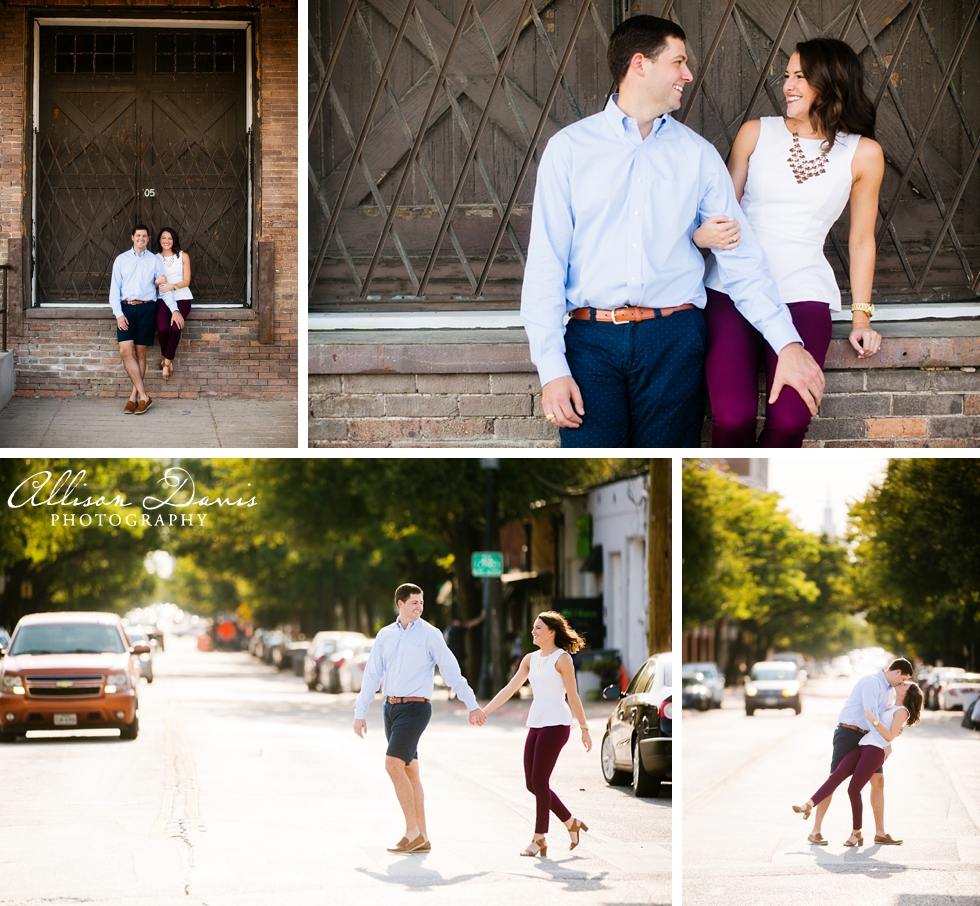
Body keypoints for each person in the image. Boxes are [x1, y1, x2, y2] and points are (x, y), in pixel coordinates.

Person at [520, 14, 824, 447]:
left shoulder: (698, 156)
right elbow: (546, 266)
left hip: (675, 340)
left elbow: (741, 260)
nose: (688, 74)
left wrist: (787, 344)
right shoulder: (568, 150)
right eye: (678, 62)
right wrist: (552, 369)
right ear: (640, 64)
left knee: (665, 476)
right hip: (590, 343)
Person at [694, 38, 885, 446]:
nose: (788, 85)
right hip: (732, 289)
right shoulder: (756, 133)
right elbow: (721, 214)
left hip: (803, 293)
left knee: (792, 421)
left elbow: (862, 239)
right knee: (731, 418)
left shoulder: (863, 154)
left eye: (801, 76)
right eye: (787, 76)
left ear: (831, 82)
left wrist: (861, 317)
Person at [353, 583, 487, 854]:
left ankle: (411, 832)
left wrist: (472, 705)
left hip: (415, 709)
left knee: (393, 765)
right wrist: (360, 712)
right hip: (390, 708)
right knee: (409, 770)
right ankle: (422, 836)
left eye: (421, 602)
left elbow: (451, 671)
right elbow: (372, 675)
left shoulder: (431, 634)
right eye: (414, 602)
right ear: (400, 604)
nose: (419, 607)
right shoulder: (385, 635)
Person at [480, 612, 592, 857]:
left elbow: (573, 696)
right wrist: (485, 711)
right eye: (533, 627)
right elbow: (510, 688)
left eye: (538, 628)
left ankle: (539, 837)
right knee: (532, 783)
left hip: (557, 725)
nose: (533, 631)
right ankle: (570, 822)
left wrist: (584, 729)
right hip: (537, 723)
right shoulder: (530, 659)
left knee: (540, 782)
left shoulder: (563, 660)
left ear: (551, 632)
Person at [794, 680, 922, 847]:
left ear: (907, 693)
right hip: (863, 744)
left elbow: (889, 736)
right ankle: (808, 805)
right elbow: (890, 731)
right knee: (836, 775)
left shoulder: (902, 711)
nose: (902, 683)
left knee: (854, 789)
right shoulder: (890, 705)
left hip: (874, 750)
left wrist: (875, 721)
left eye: (906, 684)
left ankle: (856, 834)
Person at [109, 224, 167, 414]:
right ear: (132, 237)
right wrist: (118, 314)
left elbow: (162, 286)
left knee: (141, 353)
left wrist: (173, 309)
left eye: (144, 236)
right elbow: (114, 290)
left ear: (148, 239)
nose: (141, 238)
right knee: (125, 351)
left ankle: (134, 397)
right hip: (125, 309)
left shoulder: (155, 260)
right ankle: (145, 396)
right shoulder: (121, 259)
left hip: (147, 308)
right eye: (138, 235)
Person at [153, 227, 193, 382]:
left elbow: (187, 281)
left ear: (174, 240)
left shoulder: (183, 256)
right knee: (162, 328)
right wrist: (158, 283)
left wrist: (172, 286)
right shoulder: (154, 258)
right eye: (163, 238)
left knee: (176, 328)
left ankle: (166, 363)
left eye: (169, 238)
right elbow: (150, 282)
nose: (166, 241)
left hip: (182, 296)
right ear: (159, 240)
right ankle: (167, 358)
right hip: (162, 298)